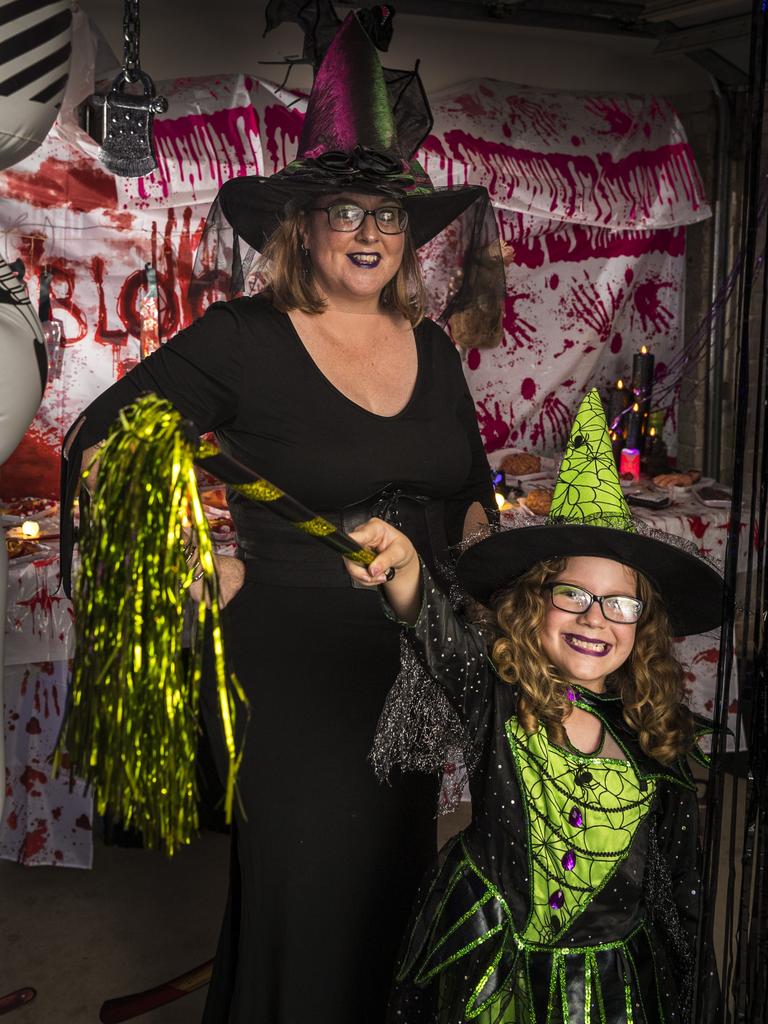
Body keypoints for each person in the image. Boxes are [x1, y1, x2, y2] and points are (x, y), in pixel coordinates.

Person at [59, 11, 505, 1024]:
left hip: (406, 655)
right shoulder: (245, 339)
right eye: (344, 213)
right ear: (300, 228)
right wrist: (190, 549)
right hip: (292, 660)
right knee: (309, 884)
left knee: (395, 881)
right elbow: (105, 440)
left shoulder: (429, 348)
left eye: (386, 217)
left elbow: (468, 484)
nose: (368, 235)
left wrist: (479, 554)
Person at [344, 388, 723, 1023]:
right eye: (571, 593)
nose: (594, 618)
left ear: (643, 625)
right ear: (532, 601)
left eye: (619, 604)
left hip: (602, 985)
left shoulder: (658, 741)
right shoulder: (500, 689)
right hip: (488, 962)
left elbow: (681, 887)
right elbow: (436, 631)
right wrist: (405, 567)